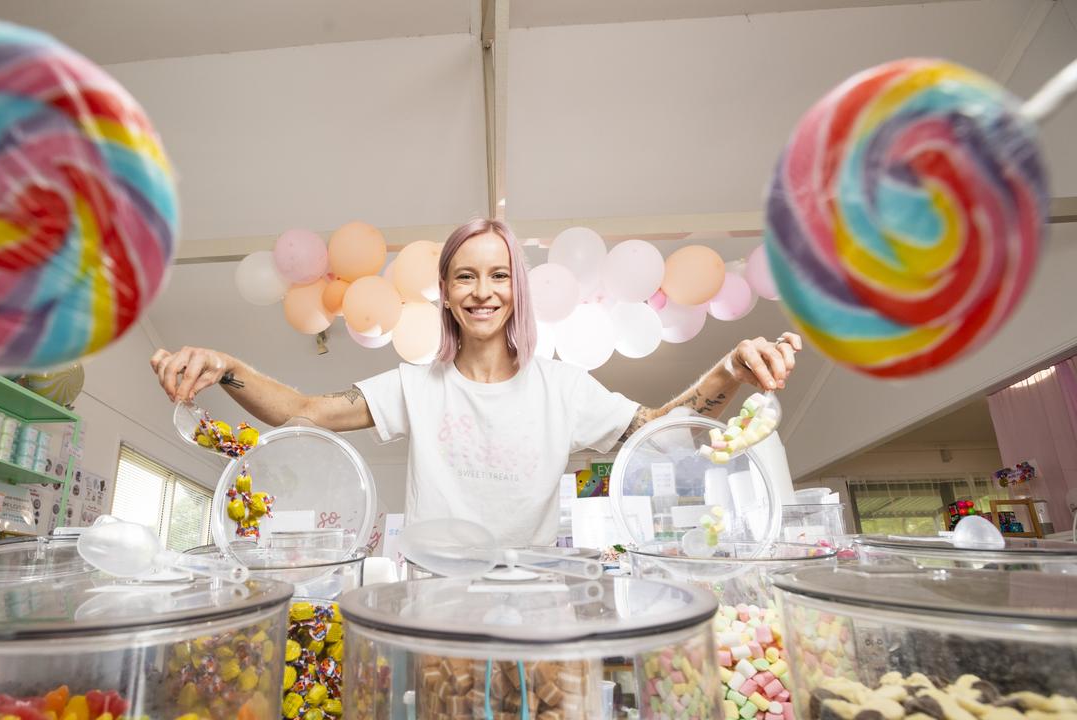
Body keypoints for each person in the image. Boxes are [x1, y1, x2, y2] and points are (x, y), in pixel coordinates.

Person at [151, 218, 801, 545]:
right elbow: (305, 412)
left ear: (515, 289)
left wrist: (728, 372)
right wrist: (229, 368)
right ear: (447, 293)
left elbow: (663, 438)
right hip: (435, 612)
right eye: (466, 275)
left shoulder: (565, 388)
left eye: (497, 275)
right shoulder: (418, 384)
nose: (482, 290)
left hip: (535, 617)